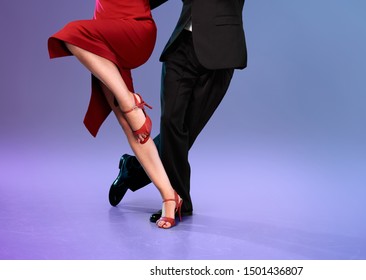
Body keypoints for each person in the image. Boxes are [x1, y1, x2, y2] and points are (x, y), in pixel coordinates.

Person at [108, 0, 248, 223]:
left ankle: (132, 168)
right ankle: (177, 200)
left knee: (182, 135)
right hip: (181, 47)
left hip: (222, 53)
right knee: (171, 124)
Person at [47, 0, 183, 229]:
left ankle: (129, 102)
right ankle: (170, 197)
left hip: (133, 29)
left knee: (71, 33)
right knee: (130, 126)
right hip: (102, 37)